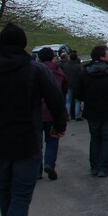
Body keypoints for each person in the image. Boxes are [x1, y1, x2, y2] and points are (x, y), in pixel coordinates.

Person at [0, 23, 67, 216]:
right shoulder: (36, 70)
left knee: (6, 195)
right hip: (27, 143)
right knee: (21, 197)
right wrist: (59, 126)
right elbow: (56, 99)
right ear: (23, 44)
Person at [73, 45, 108, 177]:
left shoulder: (84, 73)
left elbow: (77, 92)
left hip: (92, 110)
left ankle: (94, 166)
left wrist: (87, 99)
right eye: (107, 54)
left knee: (95, 138)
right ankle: (103, 167)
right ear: (102, 57)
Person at [36, 47, 67, 180]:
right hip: (53, 111)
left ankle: (37, 170)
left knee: (36, 143)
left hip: (36, 111)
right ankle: (50, 164)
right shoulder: (59, 71)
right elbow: (64, 90)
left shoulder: (35, 71)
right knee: (52, 140)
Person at [59, 52, 83, 121]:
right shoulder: (78, 66)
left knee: (68, 101)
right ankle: (77, 116)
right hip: (76, 85)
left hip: (68, 84)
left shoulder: (66, 65)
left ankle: (67, 116)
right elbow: (81, 75)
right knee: (77, 101)